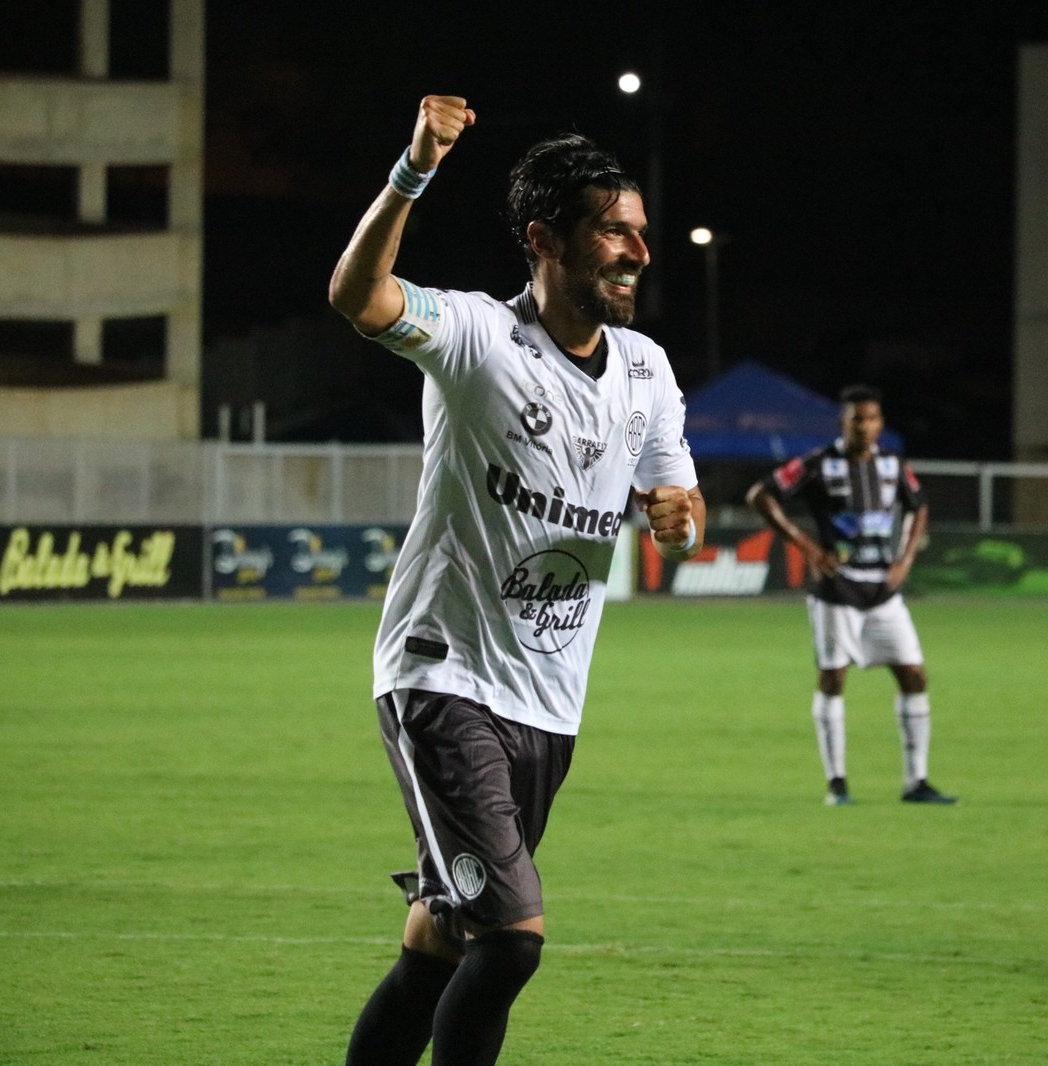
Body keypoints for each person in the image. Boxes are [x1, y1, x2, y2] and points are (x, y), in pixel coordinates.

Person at [327, 95, 705, 1066]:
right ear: (545, 238)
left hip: (548, 700)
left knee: (439, 942)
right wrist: (413, 169)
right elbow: (357, 298)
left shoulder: (648, 372)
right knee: (511, 940)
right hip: (442, 674)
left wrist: (677, 518)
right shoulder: (477, 338)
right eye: (612, 231)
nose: (637, 250)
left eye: (640, 233)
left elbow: (679, 501)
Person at [746, 384, 956, 806]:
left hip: (883, 591)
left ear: (881, 423)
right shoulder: (819, 464)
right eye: (857, 418)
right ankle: (837, 783)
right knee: (833, 678)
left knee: (914, 675)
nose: (866, 426)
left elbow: (920, 507)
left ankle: (916, 782)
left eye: (873, 418)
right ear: (843, 423)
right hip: (835, 592)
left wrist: (905, 560)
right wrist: (804, 545)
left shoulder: (893, 465)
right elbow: (760, 495)